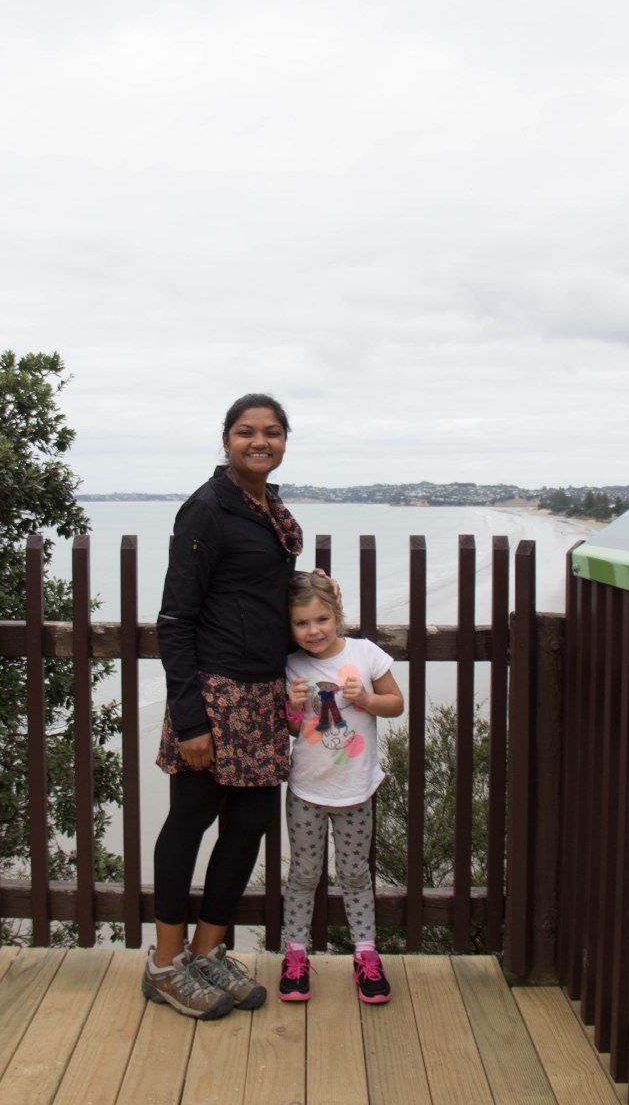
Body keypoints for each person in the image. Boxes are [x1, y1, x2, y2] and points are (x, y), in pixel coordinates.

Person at [142, 392, 303, 1020]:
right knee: (191, 820)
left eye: (272, 432)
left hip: (262, 694)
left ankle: (207, 953)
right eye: (246, 432)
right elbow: (175, 619)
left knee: (250, 824)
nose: (260, 442)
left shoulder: (267, 506)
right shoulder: (205, 509)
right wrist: (190, 719)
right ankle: (164, 966)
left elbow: (254, 588)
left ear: (284, 440)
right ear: (227, 439)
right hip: (213, 693)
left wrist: (310, 589)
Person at [279, 571, 404, 1005]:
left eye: (321, 619)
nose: (313, 630)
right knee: (303, 875)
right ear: (290, 626)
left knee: (355, 875)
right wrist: (292, 708)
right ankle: (295, 956)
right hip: (306, 792)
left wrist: (365, 698)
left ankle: (366, 955)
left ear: (337, 615)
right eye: (301, 623)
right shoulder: (292, 665)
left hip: (355, 791)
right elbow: (293, 730)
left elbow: (396, 703)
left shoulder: (365, 654)